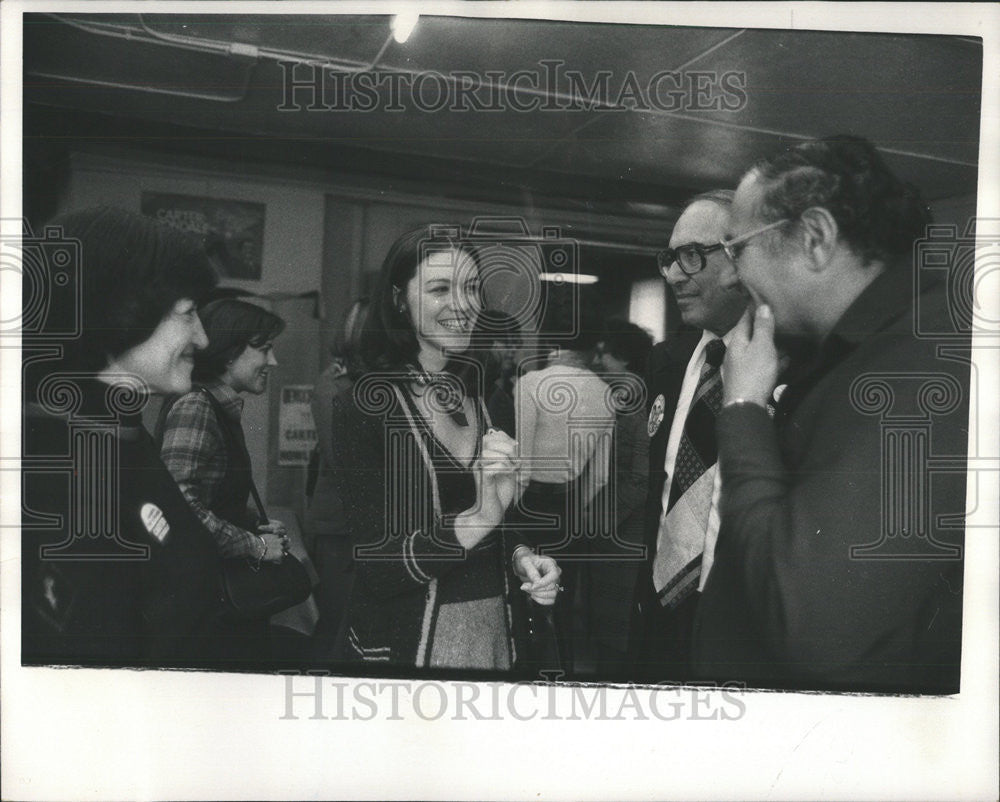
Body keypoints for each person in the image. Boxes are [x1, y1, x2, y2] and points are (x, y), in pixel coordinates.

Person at [693, 135, 968, 693]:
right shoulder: (865, 351)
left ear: (815, 238)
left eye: (736, 247)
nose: (729, 274)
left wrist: (744, 408)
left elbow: (810, 624)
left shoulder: (916, 366)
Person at [327, 225, 561, 671]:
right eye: (439, 289)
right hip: (409, 645)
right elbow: (378, 565)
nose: (462, 304)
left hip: (494, 633)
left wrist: (522, 557)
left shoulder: (479, 397)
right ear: (399, 300)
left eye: (471, 288)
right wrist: (477, 519)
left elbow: (504, 518)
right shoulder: (366, 405)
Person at [22, 206, 222, 668]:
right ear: (117, 314)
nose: (204, 339)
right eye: (188, 314)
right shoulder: (57, 474)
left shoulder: (116, 438)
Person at [628, 189, 750, 683]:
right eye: (670, 258)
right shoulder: (667, 360)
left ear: (742, 258)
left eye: (692, 256)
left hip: (738, 623)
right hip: (658, 606)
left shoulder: (799, 365)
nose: (673, 274)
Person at [158, 298, 291, 666]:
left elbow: (205, 494)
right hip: (204, 608)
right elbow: (180, 509)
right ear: (229, 352)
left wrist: (249, 521)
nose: (273, 362)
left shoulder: (216, 406)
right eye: (263, 349)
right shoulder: (197, 407)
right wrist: (255, 545)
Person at [511, 311, 616, 676]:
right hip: (570, 502)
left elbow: (520, 459)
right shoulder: (605, 392)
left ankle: (525, 675)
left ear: (552, 344)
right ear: (593, 347)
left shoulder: (531, 383)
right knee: (563, 597)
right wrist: (577, 503)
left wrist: (512, 509)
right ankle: (563, 675)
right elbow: (600, 474)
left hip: (527, 501)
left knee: (523, 591)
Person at [585, 318, 653, 677]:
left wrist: (598, 522)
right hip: (617, 528)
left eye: (606, 354)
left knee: (616, 636)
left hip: (623, 533)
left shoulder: (633, 399)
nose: (599, 363)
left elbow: (639, 477)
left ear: (624, 359)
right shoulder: (622, 395)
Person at [306, 296, 369, 658]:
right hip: (342, 529)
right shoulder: (334, 385)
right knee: (337, 631)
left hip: (361, 528)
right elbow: (344, 461)